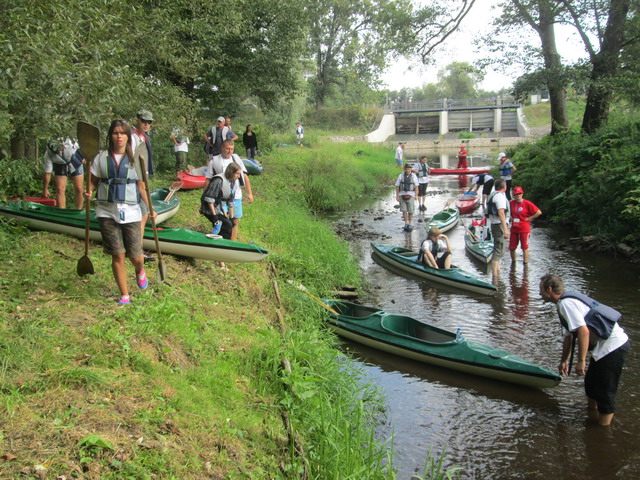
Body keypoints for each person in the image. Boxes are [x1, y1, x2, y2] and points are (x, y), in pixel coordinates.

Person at [539, 274, 630, 426]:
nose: (539, 293)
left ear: (549, 289)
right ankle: (591, 416)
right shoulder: (564, 304)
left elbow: (583, 331)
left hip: (613, 347)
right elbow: (568, 336)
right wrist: (564, 361)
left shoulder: (566, 304)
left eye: (540, 289)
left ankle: (602, 433)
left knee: (604, 391)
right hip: (603, 349)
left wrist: (581, 361)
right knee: (591, 385)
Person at [85, 119, 154, 305]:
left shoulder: (136, 159)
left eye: (122, 133)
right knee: (118, 254)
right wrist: (89, 190)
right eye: (115, 133)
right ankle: (125, 295)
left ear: (127, 136)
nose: (119, 136)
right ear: (110, 136)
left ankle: (140, 270)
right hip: (106, 211)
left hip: (131, 211)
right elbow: (93, 180)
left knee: (136, 256)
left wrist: (150, 208)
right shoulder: (100, 157)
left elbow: (142, 187)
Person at [203, 139, 253, 241]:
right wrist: (204, 195)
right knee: (222, 221)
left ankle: (231, 243)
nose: (229, 151)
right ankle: (218, 241)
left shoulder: (236, 159)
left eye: (231, 149)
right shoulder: (214, 161)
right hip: (220, 197)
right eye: (227, 148)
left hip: (235, 195)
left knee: (234, 221)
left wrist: (249, 193)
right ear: (222, 148)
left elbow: (244, 175)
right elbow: (208, 179)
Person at [131, 109, 155, 262]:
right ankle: (136, 250)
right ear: (137, 120)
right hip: (134, 180)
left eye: (149, 122)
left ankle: (137, 248)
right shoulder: (132, 138)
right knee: (143, 212)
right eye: (144, 121)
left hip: (141, 179)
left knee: (143, 213)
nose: (146, 124)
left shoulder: (144, 137)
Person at [200, 162, 241, 240]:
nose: (239, 176)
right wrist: (214, 216)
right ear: (231, 172)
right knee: (226, 225)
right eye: (237, 174)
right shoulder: (218, 180)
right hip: (209, 208)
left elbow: (230, 202)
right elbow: (209, 199)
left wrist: (231, 218)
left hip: (219, 207)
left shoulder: (233, 182)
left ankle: (219, 241)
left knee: (230, 224)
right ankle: (220, 243)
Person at [42, 137, 84, 209]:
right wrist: (45, 189)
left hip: (74, 161)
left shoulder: (71, 143)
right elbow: (47, 173)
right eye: (57, 152)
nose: (59, 152)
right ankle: (62, 210)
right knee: (60, 189)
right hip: (59, 165)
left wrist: (84, 157)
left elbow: (84, 147)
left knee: (79, 188)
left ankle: (79, 209)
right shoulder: (49, 154)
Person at [509, 186, 542, 264]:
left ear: (522, 194)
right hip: (514, 227)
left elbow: (538, 212)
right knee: (512, 247)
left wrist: (530, 218)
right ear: (513, 195)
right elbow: (506, 212)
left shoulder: (527, 203)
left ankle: (525, 264)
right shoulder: (511, 203)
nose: (518, 196)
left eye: (519, 194)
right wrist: (511, 218)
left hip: (524, 227)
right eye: (516, 194)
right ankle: (513, 263)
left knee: (524, 246)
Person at [486, 178, 509, 278]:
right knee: (499, 250)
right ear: (504, 187)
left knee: (498, 247)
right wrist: (506, 229)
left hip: (494, 224)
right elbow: (501, 213)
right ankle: (495, 276)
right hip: (499, 225)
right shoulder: (499, 197)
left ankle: (497, 272)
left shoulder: (492, 195)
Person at [395, 163, 419, 231]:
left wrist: (416, 195)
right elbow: (397, 186)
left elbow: (416, 186)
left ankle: (410, 222)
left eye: (409, 169)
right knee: (404, 210)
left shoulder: (414, 176)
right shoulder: (401, 176)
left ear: (411, 169)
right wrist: (397, 195)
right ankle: (406, 222)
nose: (407, 170)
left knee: (411, 210)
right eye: (406, 169)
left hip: (411, 195)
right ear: (404, 169)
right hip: (402, 195)